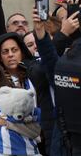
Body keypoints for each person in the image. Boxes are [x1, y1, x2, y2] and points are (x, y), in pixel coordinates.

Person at [33, 9, 81, 155]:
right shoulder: (66, 66)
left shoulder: (65, 66)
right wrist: (41, 34)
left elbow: (50, 61)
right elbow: (49, 63)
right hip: (64, 145)